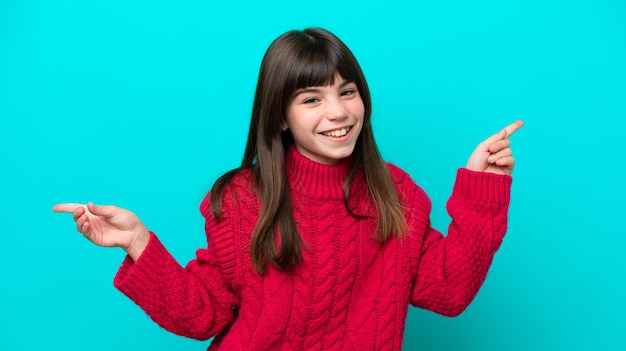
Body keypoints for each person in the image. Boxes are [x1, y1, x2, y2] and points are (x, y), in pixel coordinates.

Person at [54, 27, 523, 350]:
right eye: (312, 99)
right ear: (280, 115)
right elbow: (204, 315)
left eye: (348, 91)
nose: (338, 112)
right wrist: (138, 242)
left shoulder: (394, 193)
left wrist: (483, 190)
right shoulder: (242, 199)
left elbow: (449, 290)